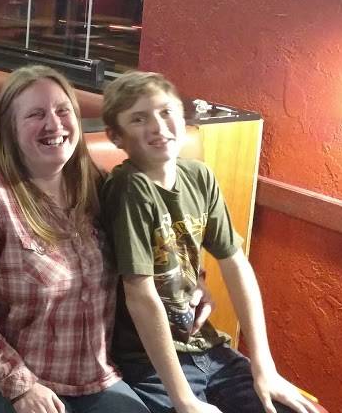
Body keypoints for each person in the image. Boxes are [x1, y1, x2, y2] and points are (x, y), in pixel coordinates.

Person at [0, 65, 200, 413]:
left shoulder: (98, 185)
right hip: (0, 381)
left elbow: (153, 252)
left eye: (63, 111)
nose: (54, 124)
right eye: (36, 114)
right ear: (9, 129)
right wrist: (21, 385)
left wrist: (194, 283)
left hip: (96, 379)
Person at [100, 71, 319, 413]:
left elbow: (235, 264)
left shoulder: (199, 176)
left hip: (208, 348)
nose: (158, 126)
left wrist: (264, 367)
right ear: (116, 136)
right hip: (151, 363)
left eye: (166, 112)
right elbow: (139, 294)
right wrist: (184, 399)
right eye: (139, 119)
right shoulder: (129, 187)